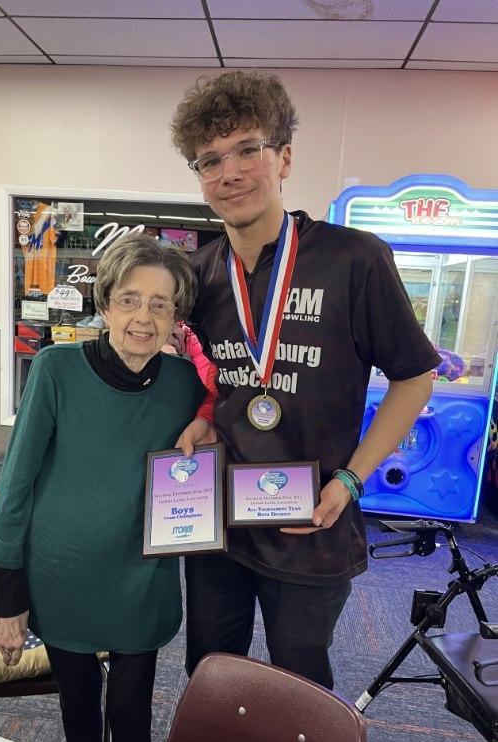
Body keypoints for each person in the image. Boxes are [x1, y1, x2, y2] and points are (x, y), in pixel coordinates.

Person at [170, 71, 441, 689]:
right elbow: (213, 382)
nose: (228, 172)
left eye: (247, 149)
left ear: (284, 157)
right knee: (212, 678)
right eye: (208, 160)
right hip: (219, 523)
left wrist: (351, 479)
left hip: (312, 523)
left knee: (299, 690)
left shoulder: (355, 258)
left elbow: (414, 379)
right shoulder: (199, 273)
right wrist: (205, 417)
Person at [0, 234, 205, 742]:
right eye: (129, 299)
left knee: (131, 715)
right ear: (104, 303)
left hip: (142, 579)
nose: (143, 318)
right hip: (63, 577)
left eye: (161, 304)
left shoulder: (185, 385)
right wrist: (8, 599)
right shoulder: (56, 369)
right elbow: (15, 485)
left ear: (177, 317)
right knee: (79, 708)